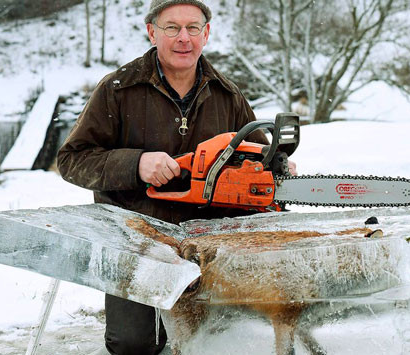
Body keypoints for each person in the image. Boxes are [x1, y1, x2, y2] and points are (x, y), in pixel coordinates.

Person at [57, 1, 295, 354]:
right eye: (172, 28)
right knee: (135, 343)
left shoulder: (226, 94)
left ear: (206, 33)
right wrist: (135, 165)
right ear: (152, 32)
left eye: (193, 28)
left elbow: (257, 158)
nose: (184, 38)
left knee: (227, 335)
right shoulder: (118, 89)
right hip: (137, 240)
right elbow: (71, 160)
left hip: (212, 242)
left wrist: (278, 170)